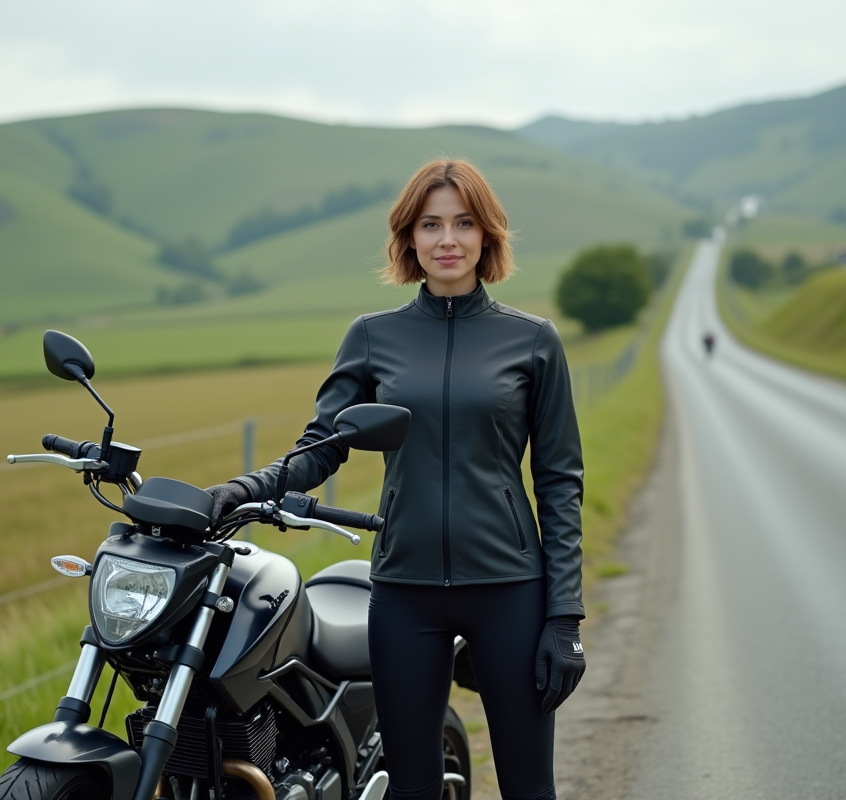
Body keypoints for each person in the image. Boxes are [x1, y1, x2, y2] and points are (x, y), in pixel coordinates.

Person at [206, 159, 585, 800]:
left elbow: (559, 481)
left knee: (527, 785)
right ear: (408, 237)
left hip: (510, 587)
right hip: (405, 591)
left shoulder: (533, 342)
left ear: (487, 235)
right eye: (430, 223)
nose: (447, 239)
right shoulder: (373, 338)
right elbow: (322, 448)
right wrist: (247, 489)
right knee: (411, 785)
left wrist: (565, 616)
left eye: (464, 223)